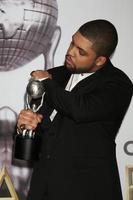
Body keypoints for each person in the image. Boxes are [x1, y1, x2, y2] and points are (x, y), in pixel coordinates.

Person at [17, 19, 133, 200]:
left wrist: (47, 83)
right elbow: (45, 138)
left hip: (87, 191)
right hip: (43, 190)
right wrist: (28, 127)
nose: (70, 52)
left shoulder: (117, 84)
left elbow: (80, 109)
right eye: (72, 42)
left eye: (81, 52)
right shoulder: (55, 75)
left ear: (100, 60)